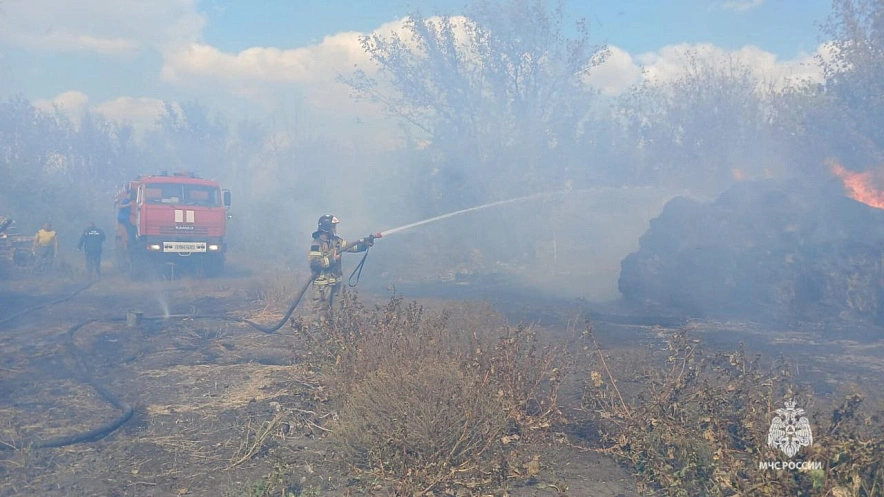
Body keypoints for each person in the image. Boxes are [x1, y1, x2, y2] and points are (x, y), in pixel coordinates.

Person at [307, 214, 374, 314]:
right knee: (320, 315)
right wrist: (332, 259)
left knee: (334, 314)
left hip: (335, 285)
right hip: (322, 287)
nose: (334, 229)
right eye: (333, 227)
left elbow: (351, 247)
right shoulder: (316, 244)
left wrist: (364, 245)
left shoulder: (337, 241)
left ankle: (331, 329)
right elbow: (315, 264)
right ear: (326, 228)